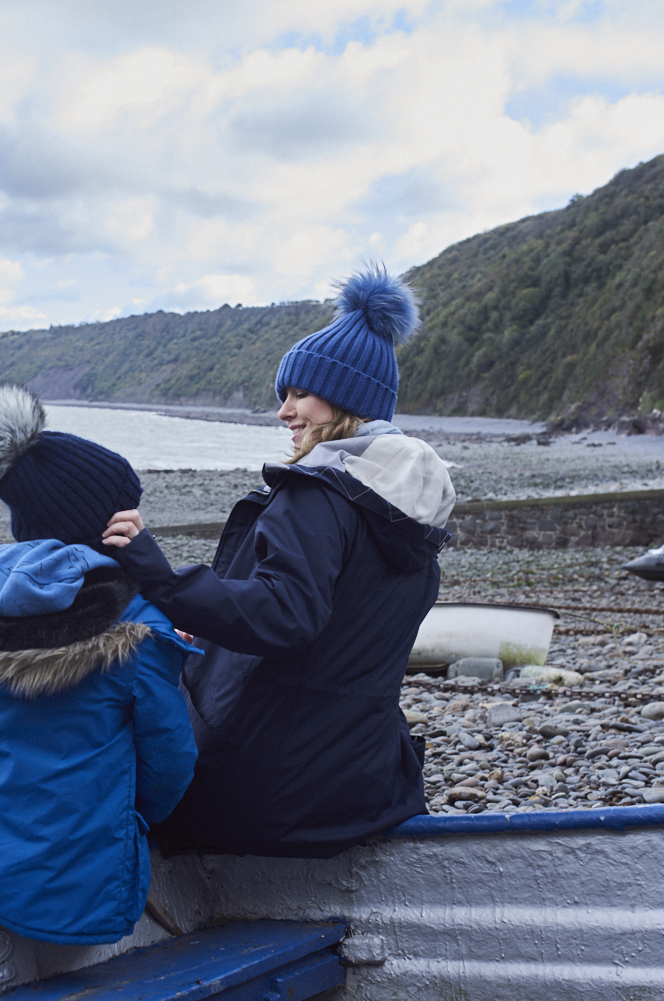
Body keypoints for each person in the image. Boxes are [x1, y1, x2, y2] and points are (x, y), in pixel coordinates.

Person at [101, 268, 455, 859]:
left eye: (299, 395)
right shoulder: (412, 510)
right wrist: (211, 627)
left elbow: (285, 616)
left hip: (269, 795)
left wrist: (159, 576)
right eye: (283, 397)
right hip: (364, 789)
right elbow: (334, 628)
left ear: (346, 399)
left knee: (116, 758)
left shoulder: (318, 494)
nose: (285, 413)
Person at [0, 385, 198, 944]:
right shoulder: (137, 628)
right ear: (106, 527)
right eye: (128, 507)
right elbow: (169, 764)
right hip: (64, 891)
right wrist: (128, 822)